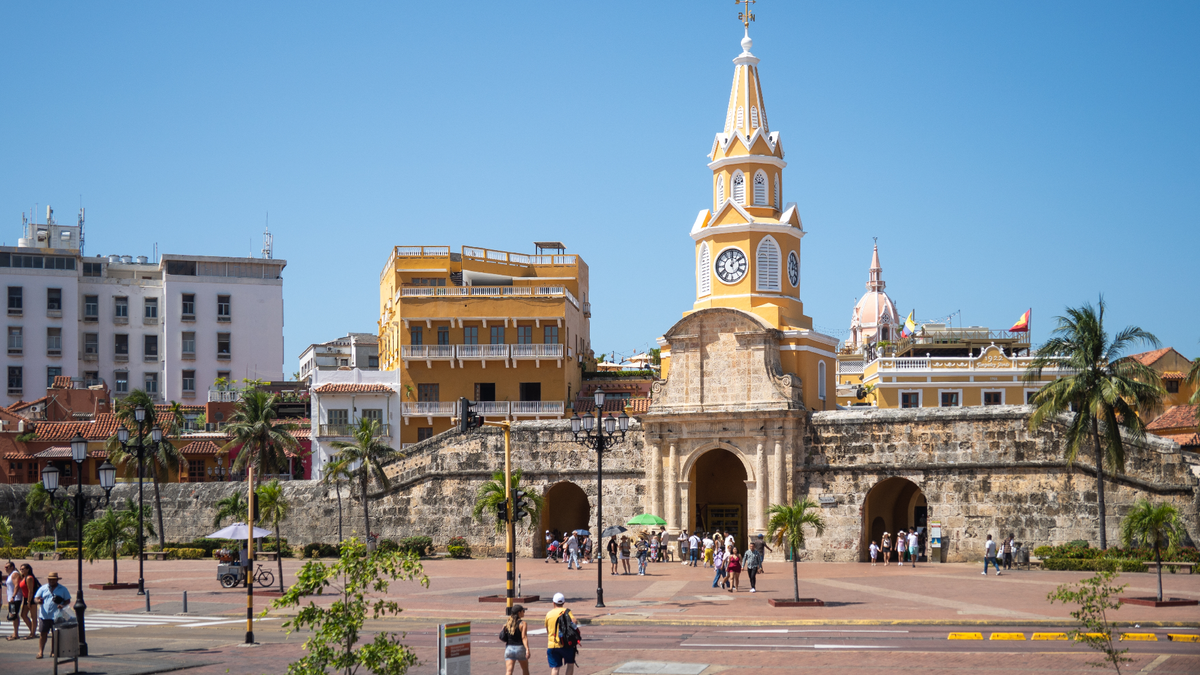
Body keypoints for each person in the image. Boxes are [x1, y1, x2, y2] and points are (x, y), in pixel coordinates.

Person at [34, 571, 70, 659]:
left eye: (53, 580)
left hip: (56, 615)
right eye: (50, 579)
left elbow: (68, 600)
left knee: (55, 634)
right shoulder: (43, 588)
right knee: (43, 634)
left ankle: (53, 651)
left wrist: (63, 605)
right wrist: (38, 601)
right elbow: (36, 598)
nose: (51, 581)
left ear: (57, 580)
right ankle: (40, 652)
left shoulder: (63, 589)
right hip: (44, 615)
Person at [545, 592, 576, 675]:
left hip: (552, 644)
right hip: (566, 644)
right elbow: (574, 623)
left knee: (555, 668)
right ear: (563, 603)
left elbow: (547, 630)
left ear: (553, 603)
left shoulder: (549, 614)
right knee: (570, 664)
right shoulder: (567, 612)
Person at [502, 604, 531, 675]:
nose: (524, 612)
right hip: (520, 648)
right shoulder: (523, 623)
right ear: (519, 612)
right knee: (525, 670)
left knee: (509, 671)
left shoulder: (508, 623)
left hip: (509, 648)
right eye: (523, 611)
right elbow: (524, 637)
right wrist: (527, 649)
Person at [18, 564, 37, 639]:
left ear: (28, 569)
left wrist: (29, 601)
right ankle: (32, 631)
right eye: (21, 569)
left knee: (33, 616)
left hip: (31, 599)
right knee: (23, 615)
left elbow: (30, 591)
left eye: (23, 569)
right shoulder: (23, 577)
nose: (21, 570)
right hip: (26, 598)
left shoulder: (29, 578)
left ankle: (32, 634)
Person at [5, 561, 21, 640]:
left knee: (13, 616)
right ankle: (15, 632)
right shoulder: (11, 575)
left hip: (15, 598)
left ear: (12, 567)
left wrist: (13, 596)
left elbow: (17, 585)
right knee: (15, 616)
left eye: (7, 567)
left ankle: (16, 634)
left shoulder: (14, 574)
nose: (6, 569)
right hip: (12, 598)